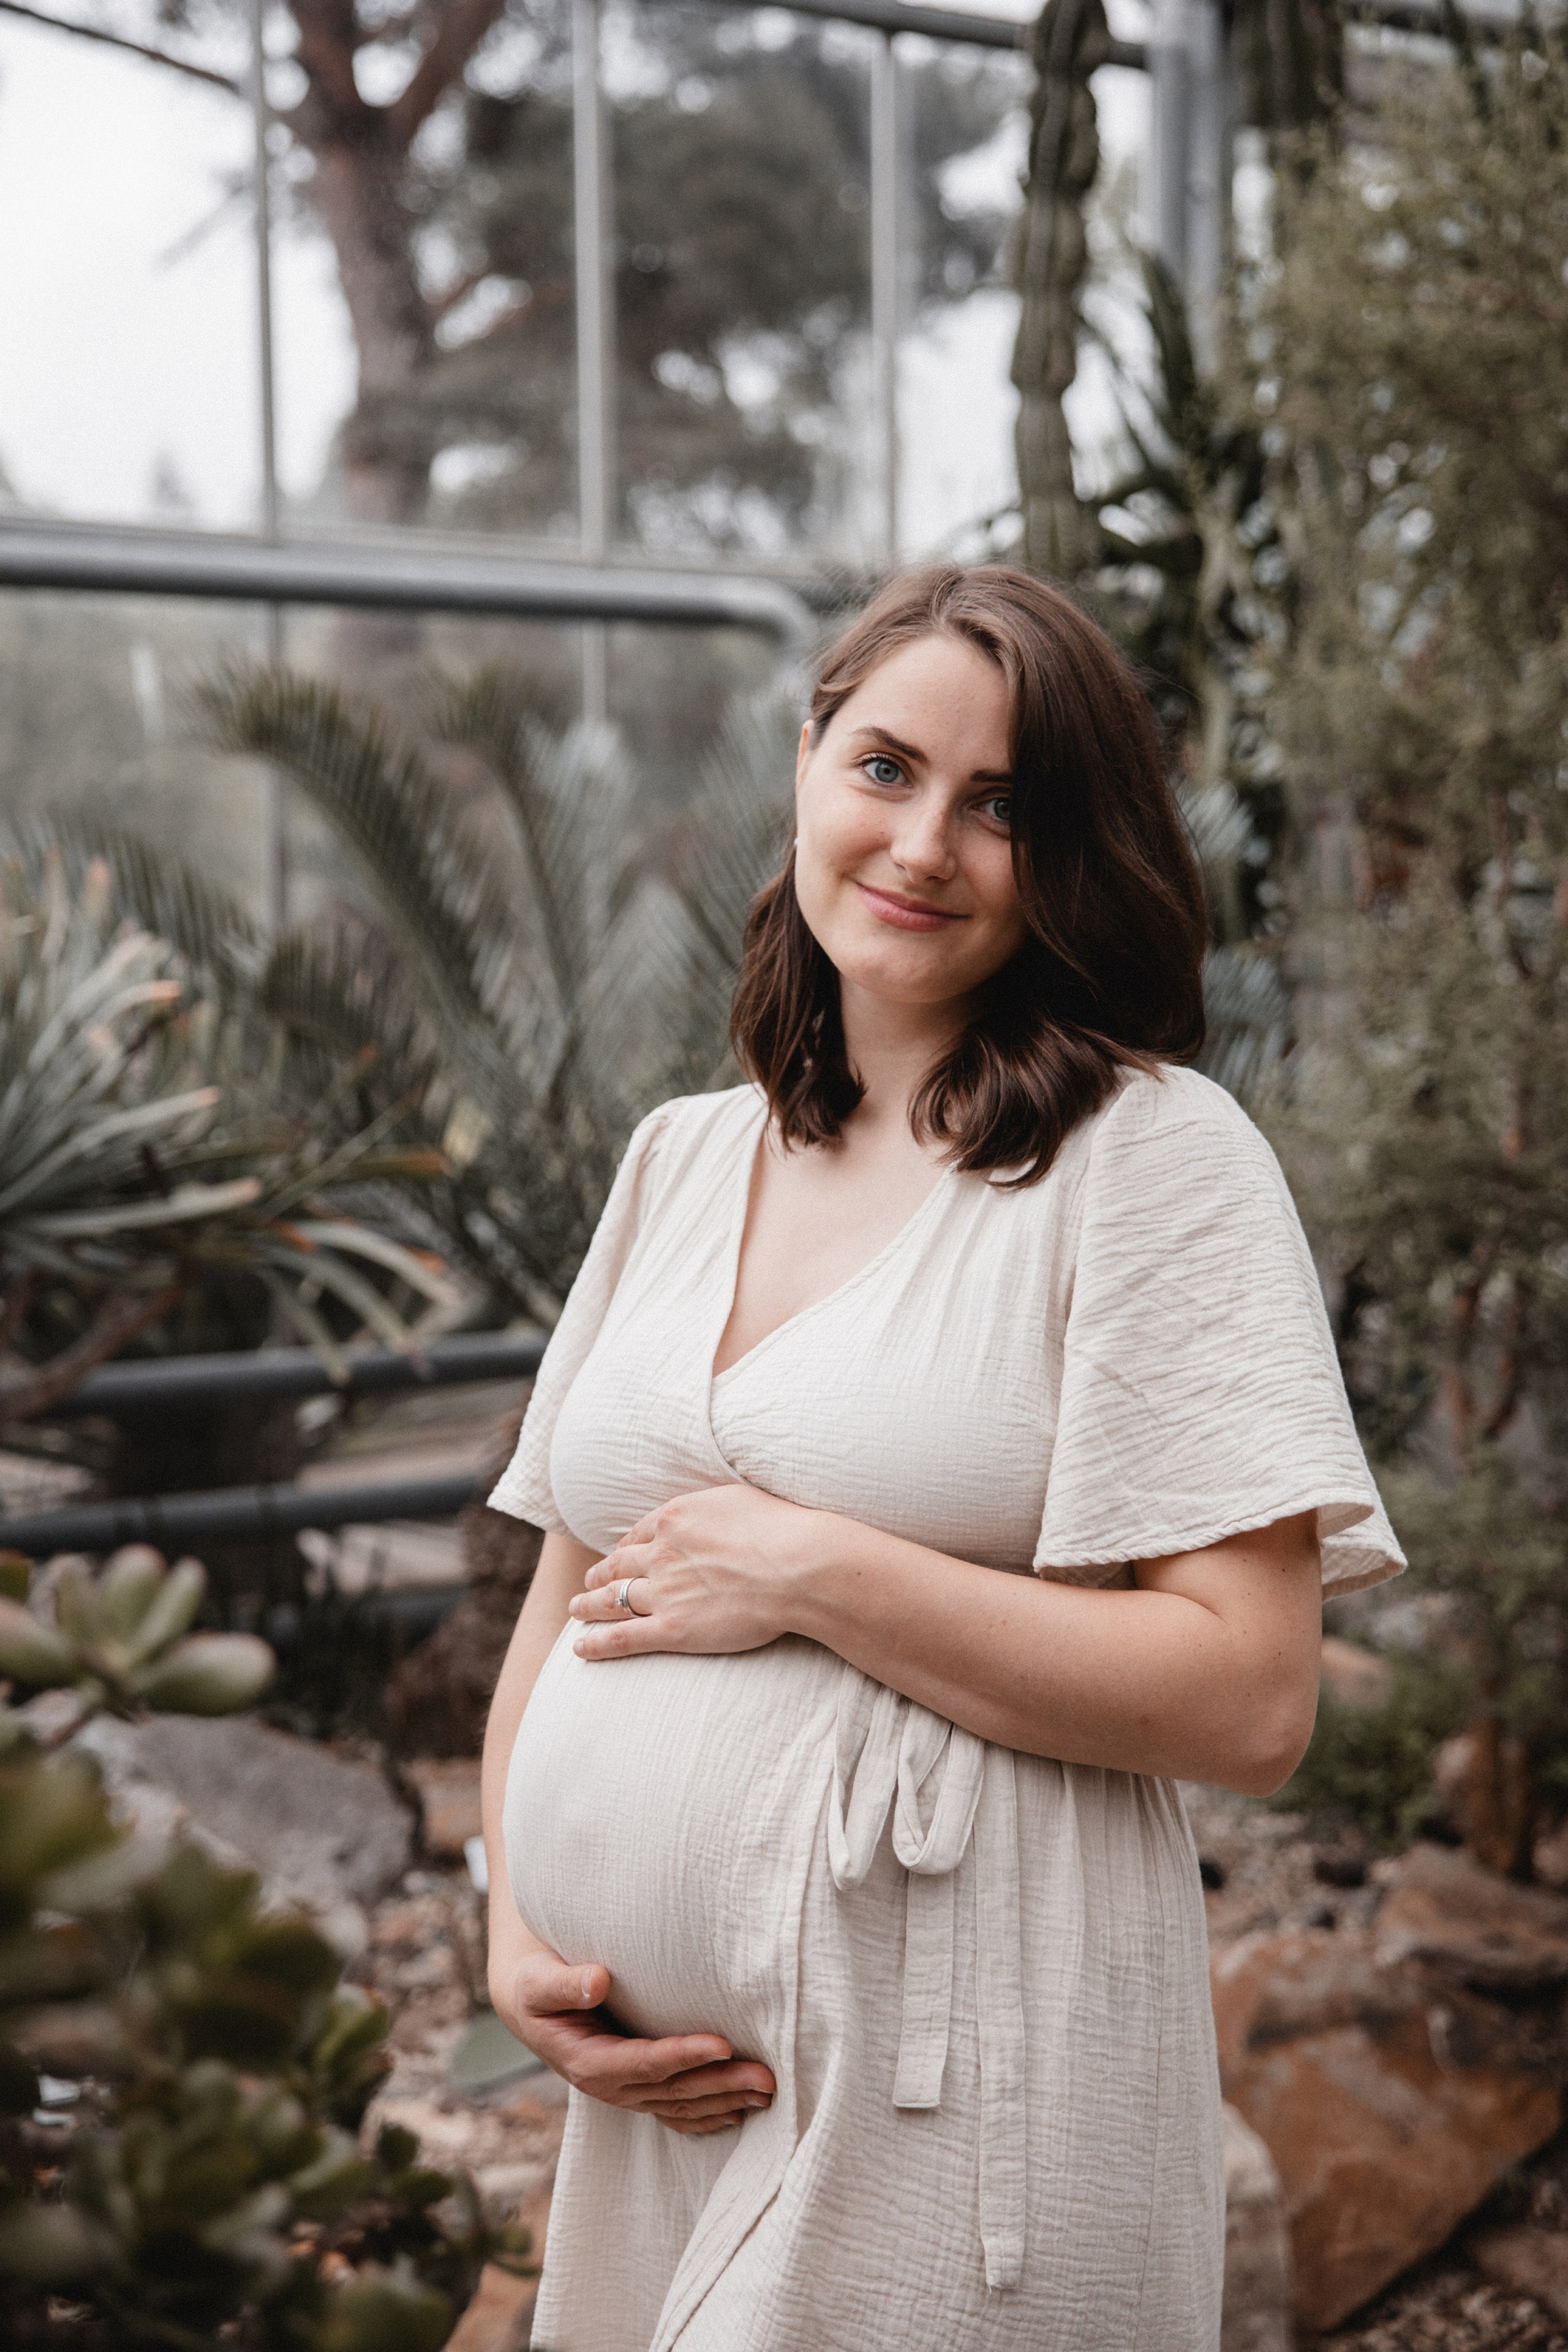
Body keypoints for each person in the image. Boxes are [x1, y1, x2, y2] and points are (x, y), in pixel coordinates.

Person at [480, 564, 1402, 2352]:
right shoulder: (678, 1159)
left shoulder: (1151, 1161)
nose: (925, 843)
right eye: (888, 768)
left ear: (1074, 859)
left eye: (1005, 807)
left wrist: (817, 1571)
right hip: (653, 2100)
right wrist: (519, 1928)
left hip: (957, 2072)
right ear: (806, 762)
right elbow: (567, 1603)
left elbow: (1249, 1698)